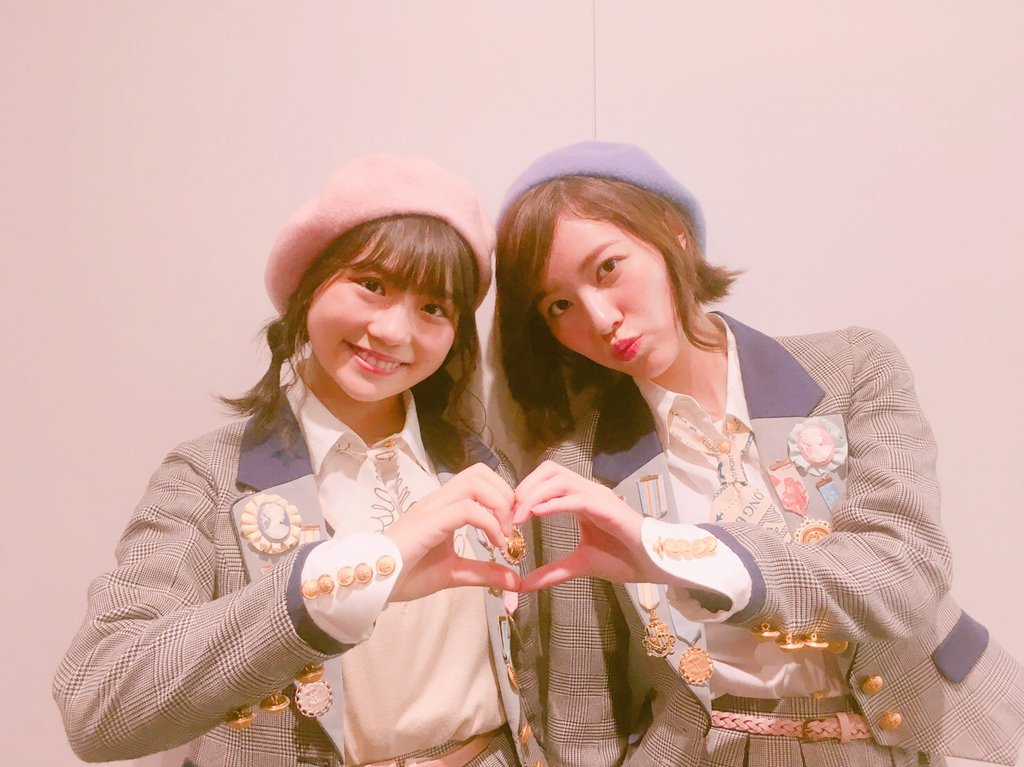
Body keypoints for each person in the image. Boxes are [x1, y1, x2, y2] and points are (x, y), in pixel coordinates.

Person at [494, 141, 1024, 767]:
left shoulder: (853, 368)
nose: (600, 317)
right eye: (558, 305)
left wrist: (685, 553)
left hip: (941, 731)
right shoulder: (577, 469)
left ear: (674, 235)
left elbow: (904, 573)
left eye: (608, 268)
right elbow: (582, 710)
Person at [53, 155, 547, 767]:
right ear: (310, 283)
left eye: (434, 308)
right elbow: (98, 705)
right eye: (373, 285)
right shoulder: (210, 475)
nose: (395, 331)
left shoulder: (479, 469)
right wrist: (350, 578)